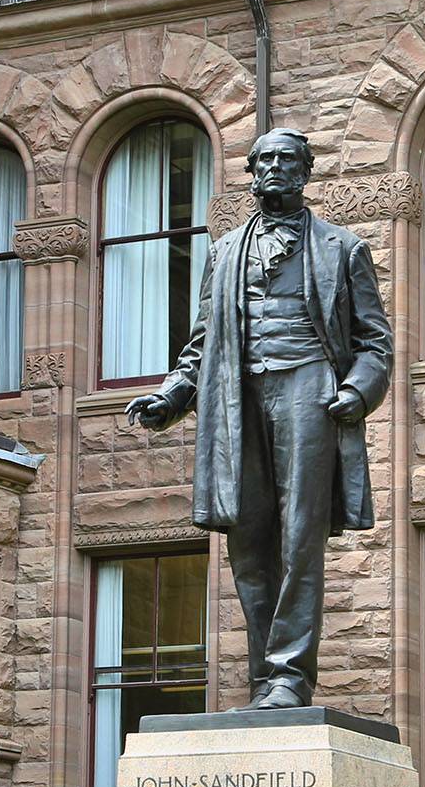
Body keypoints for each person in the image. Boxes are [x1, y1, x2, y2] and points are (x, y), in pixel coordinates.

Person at [126, 128, 392, 709]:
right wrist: (171, 397)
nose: (275, 167)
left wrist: (357, 391)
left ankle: (291, 677)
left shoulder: (341, 249)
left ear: (305, 171)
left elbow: (375, 343)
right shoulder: (222, 253)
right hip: (237, 399)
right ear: (252, 170)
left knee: (299, 538)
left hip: (309, 389)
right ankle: (261, 680)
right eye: (265, 158)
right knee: (247, 540)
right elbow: (201, 345)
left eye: (287, 159)